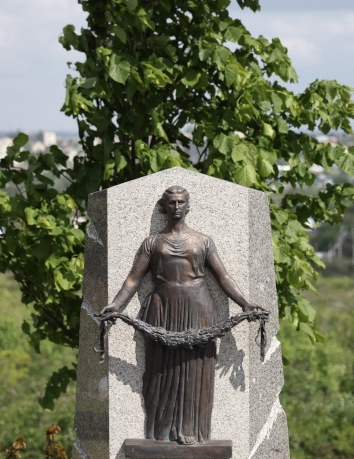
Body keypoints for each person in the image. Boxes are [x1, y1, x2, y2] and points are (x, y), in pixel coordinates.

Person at [102, 186, 261, 444]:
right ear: (163, 207)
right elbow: (133, 280)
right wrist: (116, 306)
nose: (176, 207)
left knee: (193, 370)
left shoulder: (203, 241)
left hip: (198, 308)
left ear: (188, 206)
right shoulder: (151, 243)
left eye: (181, 203)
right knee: (160, 373)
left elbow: (224, 277)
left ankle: (191, 429)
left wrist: (245, 303)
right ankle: (161, 432)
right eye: (172, 203)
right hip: (162, 310)